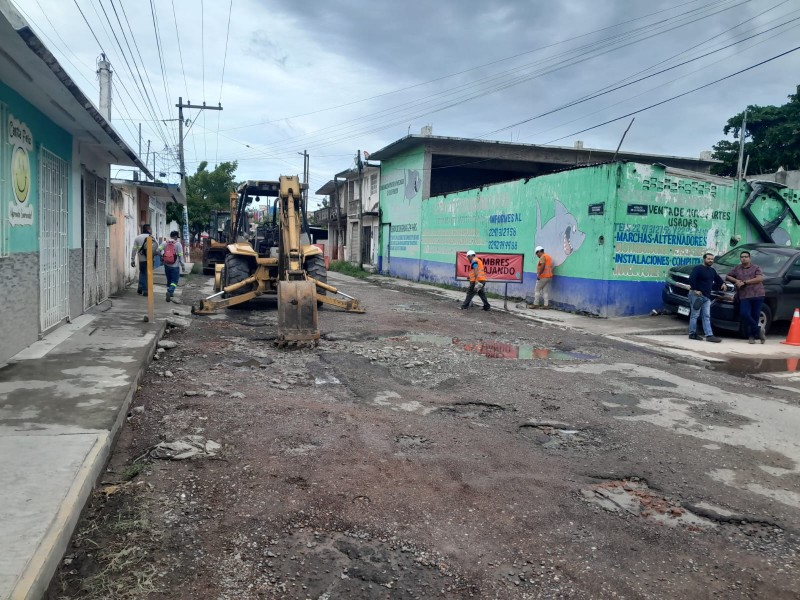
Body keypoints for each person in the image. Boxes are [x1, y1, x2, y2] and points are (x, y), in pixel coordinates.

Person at [726, 250, 766, 344]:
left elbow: (760, 278)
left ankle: (752, 336)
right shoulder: (737, 268)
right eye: (742, 257)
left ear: (749, 258)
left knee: (755, 316)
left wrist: (744, 282)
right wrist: (737, 281)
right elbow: (728, 276)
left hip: (757, 294)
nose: (743, 258)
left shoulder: (756, 267)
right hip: (744, 296)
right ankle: (759, 330)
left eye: (745, 257)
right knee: (744, 314)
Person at [688, 252, 725, 343]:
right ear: (704, 259)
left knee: (706, 316)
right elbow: (691, 279)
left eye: (712, 259)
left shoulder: (712, 270)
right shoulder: (698, 269)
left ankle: (709, 335)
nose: (710, 261)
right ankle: (692, 334)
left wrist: (723, 283)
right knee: (694, 315)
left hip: (707, 297)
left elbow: (717, 278)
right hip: (697, 296)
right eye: (708, 259)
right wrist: (695, 289)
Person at [158, 230, 186, 302]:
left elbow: (157, 250)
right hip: (175, 266)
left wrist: (162, 257)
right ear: (176, 236)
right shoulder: (178, 244)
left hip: (166, 264)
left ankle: (170, 293)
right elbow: (180, 255)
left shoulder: (165, 242)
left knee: (169, 280)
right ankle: (170, 291)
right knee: (174, 281)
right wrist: (183, 266)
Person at [130, 224, 154, 296]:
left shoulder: (137, 238)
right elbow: (156, 248)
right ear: (148, 229)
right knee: (147, 274)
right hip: (149, 259)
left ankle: (140, 289)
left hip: (141, 259)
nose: (151, 230)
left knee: (142, 273)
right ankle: (145, 290)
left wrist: (132, 259)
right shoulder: (152, 237)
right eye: (151, 228)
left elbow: (134, 249)